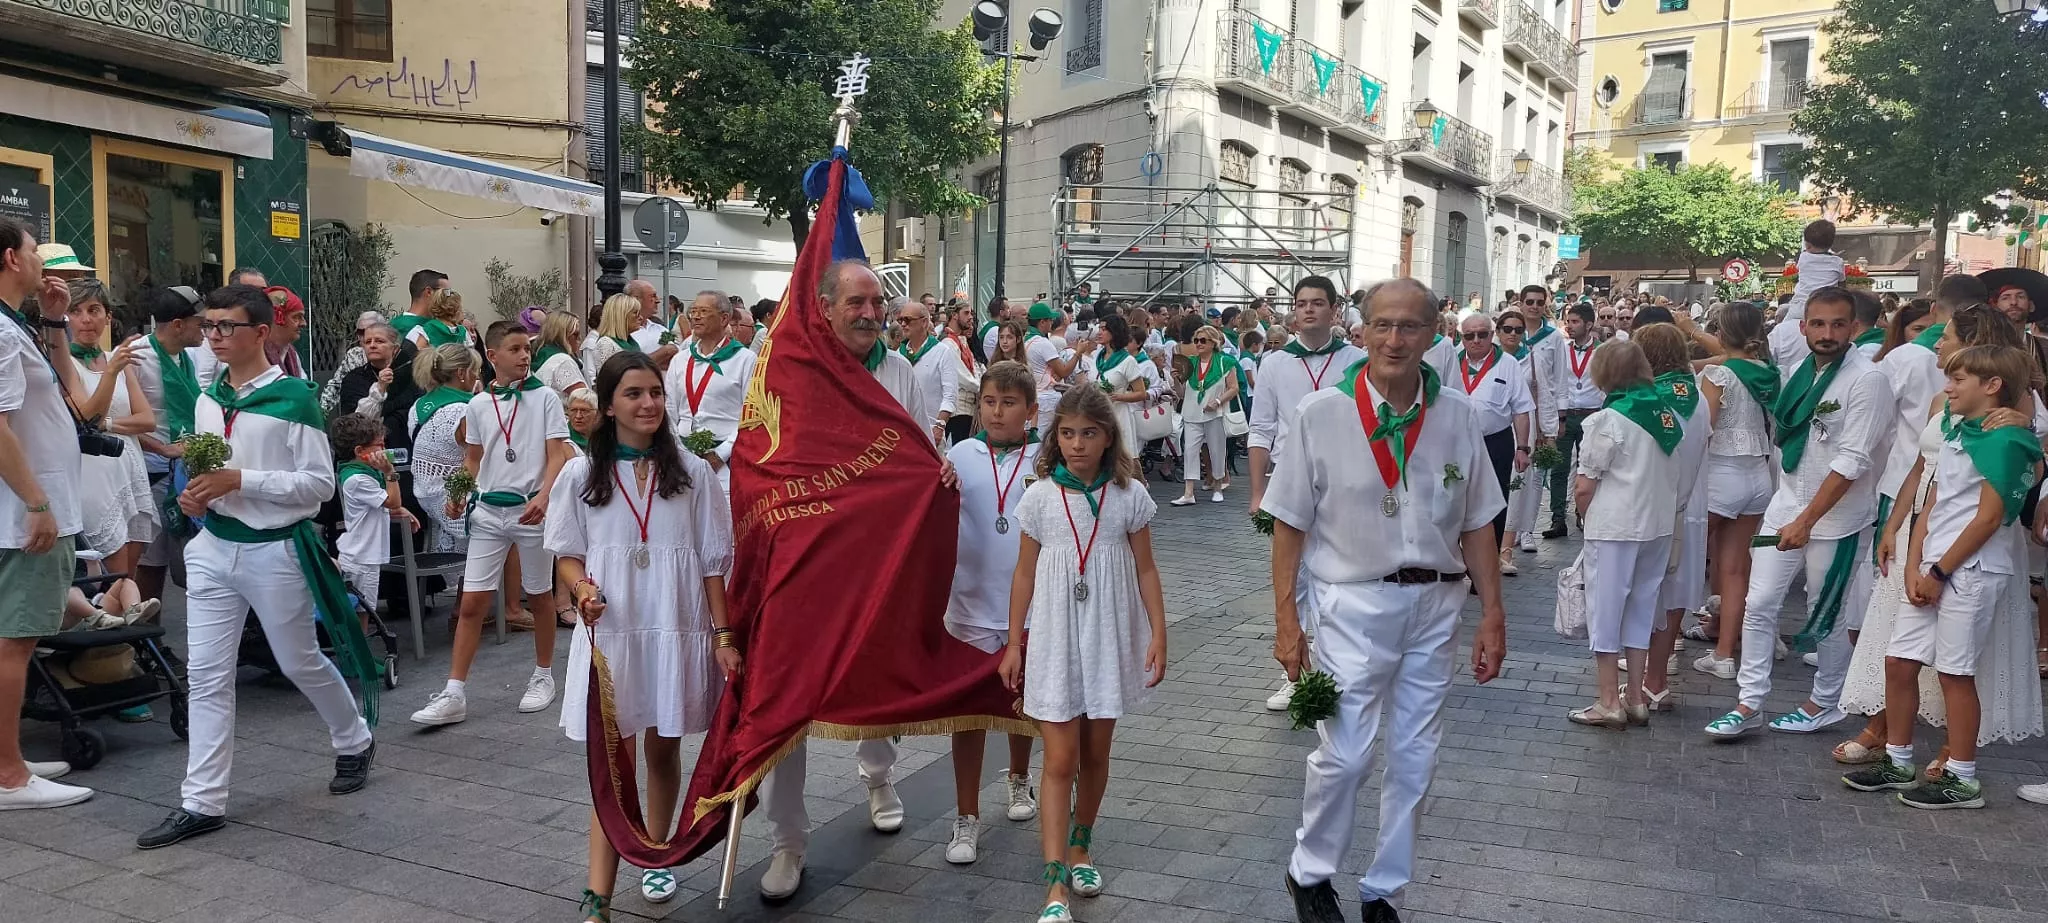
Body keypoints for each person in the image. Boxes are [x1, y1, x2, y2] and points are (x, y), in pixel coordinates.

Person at [1263, 278, 1506, 923]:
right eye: (1383, 326)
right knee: (1344, 755)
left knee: (1416, 755)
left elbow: (1480, 521)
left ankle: (1384, 891)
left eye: (1411, 327)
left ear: (1434, 336)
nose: (1396, 340)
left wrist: (1494, 614)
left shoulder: (1456, 415)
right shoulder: (1321, 415)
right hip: (1352, 603)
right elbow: (1288, 524)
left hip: (1438, 604)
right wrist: (1287, 622)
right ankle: (1310, 872)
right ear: (1362, 331)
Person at [139, 284, 376, 847]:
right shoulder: (208, 396)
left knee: (298, 660)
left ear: (261, 333)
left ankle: (354, 737)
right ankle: (202, 801)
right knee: (207, 674)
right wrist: (198, 495)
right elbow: (205, 460)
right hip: (214, 548)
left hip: (276, 552)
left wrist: (240, 481)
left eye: (227, 327)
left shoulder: (295, 398)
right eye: (209, 326)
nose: (214, 336)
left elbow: (319, 487)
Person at [756, 260, 926, 901]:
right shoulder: (784, 370)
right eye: (857, 302)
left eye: (878, 302)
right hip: (798, 563)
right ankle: (786, 841)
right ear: (824, 307)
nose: (871, 313)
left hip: (870, 558)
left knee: (871, 674)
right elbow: (762, 457)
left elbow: (916, 453)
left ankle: (879, 776)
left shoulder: (898, 370)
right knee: (784, 698)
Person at [548, 351, 737, 918]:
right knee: (612, 761)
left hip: (673, 626)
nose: (648, 403)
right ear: (608, 406)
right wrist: (580, 589)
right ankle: (598, 892)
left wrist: (723, 635)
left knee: (663, 746)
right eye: (634, 394)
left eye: (655, 392)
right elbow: (568, 554)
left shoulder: (693, 471)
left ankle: (657, 854)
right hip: (614, 630)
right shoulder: (581, 473)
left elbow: (711, 563)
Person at [1842, 344, 2040, 809]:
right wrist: (1914, 566)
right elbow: (1930, 501)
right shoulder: (1956, 428)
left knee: (1954, 672)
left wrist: (1940, 570)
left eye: (1958, 380)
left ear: (1992, 386)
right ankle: (1898, 759)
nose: (1947, 387)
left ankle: (1963, 776)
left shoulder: (2007, 441)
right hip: (1933, 566)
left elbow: (1989, 518)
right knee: (1899, 661)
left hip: (1970, 571)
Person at [997, 385, 1167, 923]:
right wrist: (1013, 643)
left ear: (1108, 437)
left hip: (1109, 636)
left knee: (1096, 756)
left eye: (1089, 434)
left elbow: (1145, 568)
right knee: (1061, 761)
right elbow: (1023, 573)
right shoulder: (1041, 498)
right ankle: (1053, 886)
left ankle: (1080, 845)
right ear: (1055, 437)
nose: (1077, 444)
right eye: (1067, 434)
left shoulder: (1129, 497)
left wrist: (1159, 633)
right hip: (1054, 637)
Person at [1704, 288, 1894, 739]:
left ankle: (1825, 701)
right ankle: (1749, 701)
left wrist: (1807, 521)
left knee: (1823, 611)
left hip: (1838, 518)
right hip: (1784, 505)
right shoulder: (1794, 372)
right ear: (1803, 326)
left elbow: (1853, 460)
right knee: (1759, 602)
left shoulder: (1867, 380)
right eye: (1818, 324)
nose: (1827, 334)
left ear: (1853, 328)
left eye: (1837, 324)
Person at [410, 321, 572, 726]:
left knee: (539, 594)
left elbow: (557, 455)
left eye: (527, 349)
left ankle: (543, 674)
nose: (524, 356)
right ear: (493, 356)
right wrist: (458, 491)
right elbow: (473, 458)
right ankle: (454, 691)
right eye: (515, 349)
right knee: (471, 602)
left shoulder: (546, 399)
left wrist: (545, 495)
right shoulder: (479, 405)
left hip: (530, 511)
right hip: (488, 513)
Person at [0, 219, 95, 809]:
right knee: (15, 641)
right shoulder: (3, 333)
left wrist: (56, 321)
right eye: (36, 251)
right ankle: (9, 775)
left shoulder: (17, 325)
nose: (44, 262)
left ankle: (6, 758)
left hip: (31, 504)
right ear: (11, 258)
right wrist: (36, 503)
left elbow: (67, 395)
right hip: (25, 511)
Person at [943, 361, 1045, 866]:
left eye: (1008, 403)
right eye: (988, 401)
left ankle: (1020, 779)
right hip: (969, 604)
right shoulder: (960, 453)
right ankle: (966, 815)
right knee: (967, 713)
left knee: (1021, 704)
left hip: (1028, 608)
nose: (997, 411)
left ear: (1031, 410)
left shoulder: (1047, 458)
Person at [1566, 340, 1681, 728]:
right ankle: (1635, 695)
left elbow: (1585, 484)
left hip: (1615, 526)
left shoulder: (1608, 419)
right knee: (1641, 608)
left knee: (1606, 611)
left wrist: (1584, 518)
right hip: (1657, 525)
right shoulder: (1666, 415)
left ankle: (1606, 700)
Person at [1690, 303, 1777, 679]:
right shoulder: (1770, 372)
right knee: (1737, 568)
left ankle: (1668, 646)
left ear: (1722, 336)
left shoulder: (1719, 373)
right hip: (1759, 475)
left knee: (1682, 558)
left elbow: (1706, 426)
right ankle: (1724, 654)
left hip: (1721, 474)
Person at [1633, 323, 1708, 707]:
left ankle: (1637, 679)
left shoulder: (1645, 401)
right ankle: (1657, 678)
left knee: (1643, 595)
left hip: (1651, 509)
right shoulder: (1698, 397)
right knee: (1674, 596)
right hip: (1690, 507)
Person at [63, 279, 157, 580]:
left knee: (132, 571)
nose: (86, 319)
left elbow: (146, 419)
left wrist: (109, 425)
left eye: (94, 310)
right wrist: (111, 373)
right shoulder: (64, 364)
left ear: (108, 317)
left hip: (129, 464)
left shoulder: (116, 360)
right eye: (75, 311)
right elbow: (86, 416)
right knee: (109, 576)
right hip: (95, 473)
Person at [1451, 312, 1533, 550]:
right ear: (1462, 337)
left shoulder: (1508, 364)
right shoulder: (1451, 362)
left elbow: (1521, 409)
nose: (1476, 340)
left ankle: (1487, 564)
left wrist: (1523, 448)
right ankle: (1452, 563)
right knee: (1454, 501)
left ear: (1492, 335)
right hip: (1458, 443)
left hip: (1496, 442)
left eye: (1482, 334)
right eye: (1469, 335)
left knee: (1495, 502)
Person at [663, 291, 755, 495]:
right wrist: (679, 451)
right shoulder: (681, 359)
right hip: (682, 458)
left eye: (703, 311)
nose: (695, 316)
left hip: (726, 462)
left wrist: (720, 455)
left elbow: (750, 415)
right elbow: (669, 409)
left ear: (724, 318)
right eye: (693, 311)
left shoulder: (745, 360)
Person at [330, 412, 416, 611]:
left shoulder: (364, 474)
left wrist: (401, 511)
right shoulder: (358, 479)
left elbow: (379, 507)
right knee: (363, 612)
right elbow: (392, 501)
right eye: (380, 446)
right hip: (361, 557)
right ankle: (360, 643)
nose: (385, 451)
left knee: (365, 610)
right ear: (360, 451)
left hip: (365, 555)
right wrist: (389, 472)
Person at [409, 344, 481, 555]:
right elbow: (477, 457)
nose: (477, 375)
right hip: (453, 498)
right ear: (461, 373)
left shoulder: (418, 406)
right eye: (474, 370)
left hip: (425, 494)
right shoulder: (464, 410)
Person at [1545, 304, 1603, 539]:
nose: (1569, 325)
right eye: (1568, 321)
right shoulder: (1562, 350)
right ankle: (1558, 518)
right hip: (1566, 415)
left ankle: (1585, 513)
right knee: (1559, 468)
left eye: (1575, 321)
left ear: (1589, 325)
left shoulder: (1602, 351)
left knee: (1589, 467)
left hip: (1591, 414)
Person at [1768, 220, 1848, 374]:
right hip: (1826, 304)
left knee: (1783, 331)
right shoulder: (1838, 262)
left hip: (1800, 304)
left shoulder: (1804, 258)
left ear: (1808, 245)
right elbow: (1842, 283)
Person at [1172, 326, 1238, 506]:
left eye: (1203, 340)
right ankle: (1188, 492)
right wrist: (1177, 379)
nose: (1198, 344)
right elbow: (1182, 393)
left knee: (1217, 451)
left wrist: (1217, 401)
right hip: (1192, 412)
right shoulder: (1189, 363)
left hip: (1214, 413)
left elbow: (1234, 388)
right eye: (1196, 340)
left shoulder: (1225, 361)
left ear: (1213, 343)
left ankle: (1217, 486)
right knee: (1190, 451)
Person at [895, 295, 955, 445]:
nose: (903, 324)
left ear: (924, 322)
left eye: (907, 320)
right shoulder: (897, 355)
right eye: (900, 320)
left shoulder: (942, 352)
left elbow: (950, 394)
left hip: (931, 433)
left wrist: (940, 426)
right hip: (901, 433)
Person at [320, 310, 398, 414]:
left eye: (378, 339)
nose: (366, 336)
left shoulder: (402, 364)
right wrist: (322, 412)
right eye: (361, 332)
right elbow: (336, 384)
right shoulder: (354, 354)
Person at [1093, 315, 1150, 452]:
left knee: (1120, 458)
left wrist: (1118, 397)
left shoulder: (1127, 361)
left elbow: (1141, 393)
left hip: (1118, 415)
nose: (1099, 332)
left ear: (1115, 332)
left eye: (1104, 329)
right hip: (1097, 413)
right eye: (1099, 328)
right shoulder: (1097, 356)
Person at [944, 300, 984, 445]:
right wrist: (983, 388)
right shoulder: (948, 343)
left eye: (971, 313)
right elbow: (961, 375)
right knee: (959, 448)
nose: (970, 317)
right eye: (966, 313)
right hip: (958, 407)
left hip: (968, 406)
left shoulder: (961, 341)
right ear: (954, 315)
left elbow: (974, 368)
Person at [534, 309, 590, 400]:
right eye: (575, 334)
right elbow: (584, 399)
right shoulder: (562, 361)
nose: (580, 338)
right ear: (562, 335)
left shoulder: (540, 354)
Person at [625, 280, 679, 370]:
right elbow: (627, 366)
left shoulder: (661, 329)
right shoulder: (624, 331)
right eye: (653, 296)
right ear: (636, 299)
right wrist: (663, 352)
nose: (658, 301)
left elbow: (675, 354)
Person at [586, 293, 642, 378]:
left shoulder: (632, 343)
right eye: (635, 313)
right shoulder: (606, 344)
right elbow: (610, 380)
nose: (641, 317)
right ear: (621, 316)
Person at [390, 269, 452, 340]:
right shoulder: (403, 328)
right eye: (446, 292)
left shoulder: (392, 325)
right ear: (429, 292)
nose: (450, 297)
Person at [406, 288, 470, 351]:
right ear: (457, 309)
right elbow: (470, 355)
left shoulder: (428, 329)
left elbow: (417, 353)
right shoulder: (463, 332)